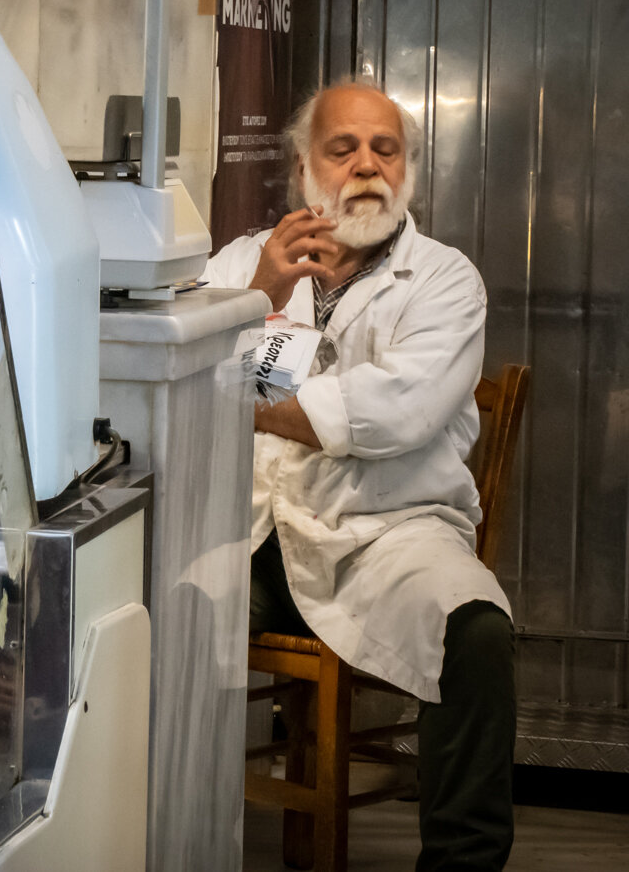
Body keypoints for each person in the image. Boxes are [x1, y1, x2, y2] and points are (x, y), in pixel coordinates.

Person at [204, 81, 515, 871]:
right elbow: (177, 376)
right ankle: (167, 839)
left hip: (388, 532)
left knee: (475, 632)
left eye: (386, 149)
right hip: (250, 530)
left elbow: (389, 415)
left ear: (408, 167)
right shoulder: (246, 261)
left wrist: (244, 393)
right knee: (146, 620)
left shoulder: (445, 280)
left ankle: (461, 862)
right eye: (343, 148)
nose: (366, 166)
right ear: (305, 165)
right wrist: (261, 296)